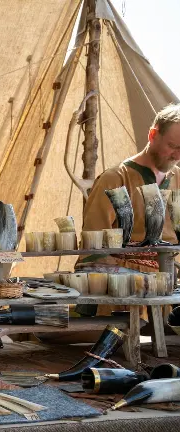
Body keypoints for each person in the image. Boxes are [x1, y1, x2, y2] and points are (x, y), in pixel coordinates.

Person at [68, 103, 180, 333]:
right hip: (120, 291)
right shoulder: (115, 179)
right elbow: (94, 247)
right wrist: (127, 284)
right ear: (153, 135)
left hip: (167, 289)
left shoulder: (179, 180)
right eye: (172, 146)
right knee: (118, 338)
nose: (177, 155)